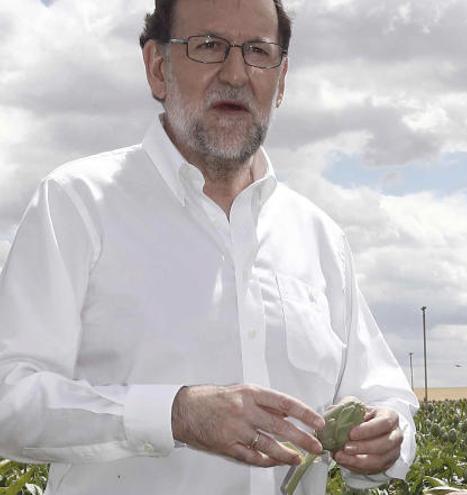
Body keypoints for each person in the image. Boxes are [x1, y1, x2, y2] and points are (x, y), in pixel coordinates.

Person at [0, 0, 418, 493]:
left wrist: (388, 436)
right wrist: (175, 415)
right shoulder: (76, 203)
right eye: (209, 46)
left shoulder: (320, 236)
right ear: (158, 68)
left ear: (281, 81)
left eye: (259, 52)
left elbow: (382, 390)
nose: (236, 73)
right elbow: (10, 399)